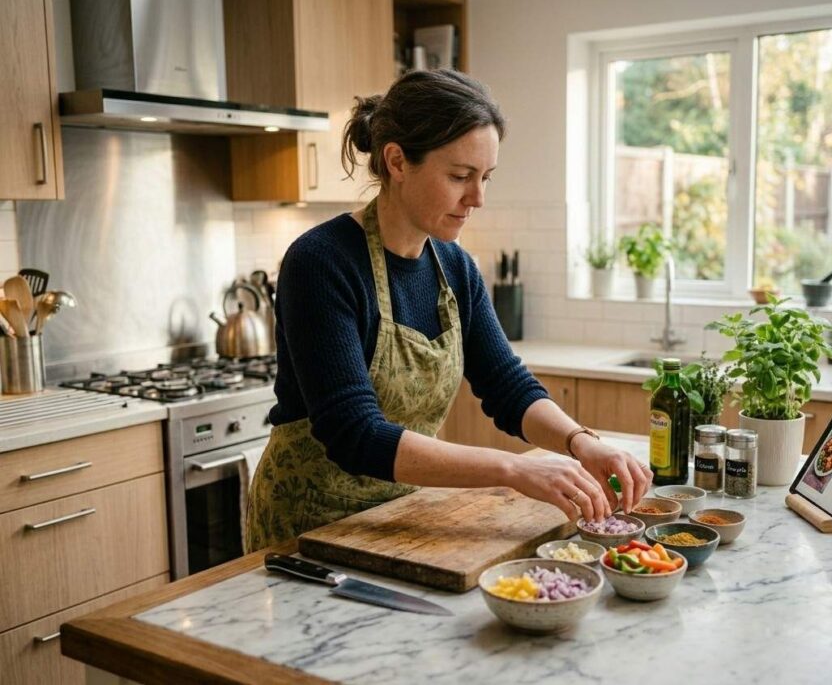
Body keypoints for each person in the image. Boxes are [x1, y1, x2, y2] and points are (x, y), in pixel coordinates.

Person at [245, 69, 651, 552]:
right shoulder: (321, 262)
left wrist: (582, 442)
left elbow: (506, 385)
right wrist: (512, 468)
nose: (477, 198)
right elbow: (354, 433)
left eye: (485, 178)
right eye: (460, 176)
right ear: (397, 161)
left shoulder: (455, 267)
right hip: (307, 531)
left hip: (404, 515)